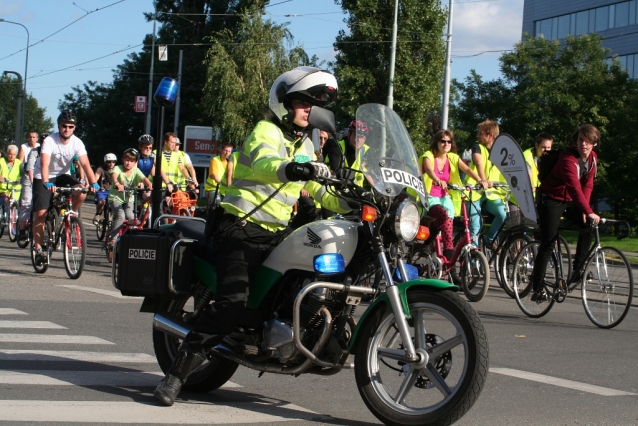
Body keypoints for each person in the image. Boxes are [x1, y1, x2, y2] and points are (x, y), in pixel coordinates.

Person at [154, 66, 350, 406]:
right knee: (232, 302)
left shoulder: (304, 143)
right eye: (304, 103)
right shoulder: (266, 131)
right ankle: (176, 374)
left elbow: (319, 193)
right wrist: (294, 168)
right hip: (239, 230)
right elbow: (264, 163)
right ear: (284, 104)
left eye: (313, 105)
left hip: (276, 235)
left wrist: (355, 196)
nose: (310, 110)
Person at [530, 125, 601, 301]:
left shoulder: (592, 159)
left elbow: (587, 184)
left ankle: (578, 269)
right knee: (548, 241)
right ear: (576, 141)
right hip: (551, 199)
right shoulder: (567, 159)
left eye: (588, 140)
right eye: (580, 140)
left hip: (569, 200)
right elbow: (574, 187)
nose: (584, 144)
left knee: (588, 226)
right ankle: (537, 286)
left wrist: (585, 212)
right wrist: (587, 210)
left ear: (595, 143)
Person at [31, 110, 99, 265]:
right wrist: (47, 182)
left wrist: (93, 182)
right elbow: (45, 164)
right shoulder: (50, 140)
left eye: (70, 126)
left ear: (74, 128)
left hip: (62, 175)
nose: (67, 129)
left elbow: (85, 164)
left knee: (81, 190)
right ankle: (38, 247)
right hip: (43, 175)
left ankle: (72, 213)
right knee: (41, 212)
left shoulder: (77, 142)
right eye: (64, 126)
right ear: (59, 126)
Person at [420, 130, 485, 276]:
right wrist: (437, 180)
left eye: (449, 141)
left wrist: (481, 180)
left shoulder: (453, 158)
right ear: (436, 142)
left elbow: (467, 169)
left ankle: (451, 272)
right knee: (442, 215)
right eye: (443, 141)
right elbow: (429, 170)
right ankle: (428, 242)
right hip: (429, 196)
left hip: (445, 197)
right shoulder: (429, 155)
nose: (446, 144)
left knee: (449, 237)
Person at [464, 119, 508, 248]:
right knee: (475, 226)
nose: (477, 136)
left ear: (490, 136)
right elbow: (478, 163)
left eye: (480, 133)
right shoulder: (477, 146)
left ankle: (490, 239)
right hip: (474, 191)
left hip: (491, 192)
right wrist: (482, 180)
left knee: (502, 214)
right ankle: (473, 260)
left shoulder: (501, 151)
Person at [106, 148, 152, 243]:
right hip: (115, 198)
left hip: (129, 199)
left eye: (131, 161)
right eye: (127, 160)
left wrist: (150, 185)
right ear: (123, 159)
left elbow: (144, 179)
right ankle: (113, 239)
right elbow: (114, 176)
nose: (128, 163)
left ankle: (128, 238)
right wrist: (117, 184)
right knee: (121, 216)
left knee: (131, 217)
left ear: (135, 162)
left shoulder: (136, 171)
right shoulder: (117, 168)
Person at [17, 131, 41, 239]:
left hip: (39, 174)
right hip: (27, 174)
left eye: (33, 137)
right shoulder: (24, 147)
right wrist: (23, 168)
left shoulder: (41, 147)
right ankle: (22, 229)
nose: (31, 139)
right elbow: (20, 162)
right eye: (30, 137)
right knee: (26, 203)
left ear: (37, 138)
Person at [523, 132, 553, 197]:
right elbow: (527, 173)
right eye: (543, 147)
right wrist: (530, 186)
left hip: (540, 196)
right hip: (525, 197)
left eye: (549, 148)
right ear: (536, 145)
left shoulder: (550, 158)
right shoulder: (527, 156)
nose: (546, 150)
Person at [93, 154, 117, 224]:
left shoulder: (117, 169)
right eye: (109, 162)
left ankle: (114, 217)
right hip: (102, 191)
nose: (111, 164)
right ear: (105, 162)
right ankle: (97, 215)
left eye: (113, 162)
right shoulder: (101, 169)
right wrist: (95, 184)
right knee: (101, 202)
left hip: (113, 191)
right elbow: (95, 177)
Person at [0, 146, 23, 221]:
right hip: (3, 190)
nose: (11, 156)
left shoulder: (19, 163)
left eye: (13, 154)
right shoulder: (1, 161)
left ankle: (13, 225)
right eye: (10, 154)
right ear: (7, 153)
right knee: (3, 203)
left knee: (14, 207)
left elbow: (24, 173)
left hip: (15, 191)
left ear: (16, 154)